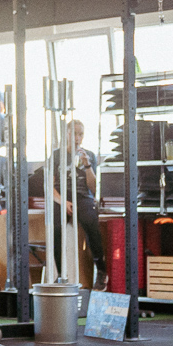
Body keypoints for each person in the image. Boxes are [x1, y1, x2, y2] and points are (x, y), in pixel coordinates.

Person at [48, 119, 105, 291]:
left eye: (81, 134)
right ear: (67, 134)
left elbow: (94, 188)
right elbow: (49, 186)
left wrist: (87, 165)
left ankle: (101, 270)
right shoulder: (56, 155)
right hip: (61, 196)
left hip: (82, 196)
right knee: (56, 228)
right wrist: (62, 201)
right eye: (74, 133)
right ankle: (60, 274)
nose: (77, 138)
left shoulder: (89, 155)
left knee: (91, 223)